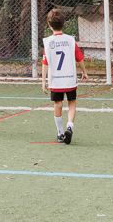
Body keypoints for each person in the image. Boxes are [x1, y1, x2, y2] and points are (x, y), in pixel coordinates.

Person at [41, 8, 88, 144]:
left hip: (55, 81)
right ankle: (70, 126)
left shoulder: (48, 42)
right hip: (69, 79)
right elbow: (79, 58)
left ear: (49, 25)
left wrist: (43, 81)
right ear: (64, 23)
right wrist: (84, 72)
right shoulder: (70, 40)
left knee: (58, 104)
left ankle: (60, 133)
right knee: (72, 103)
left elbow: (45, 63)